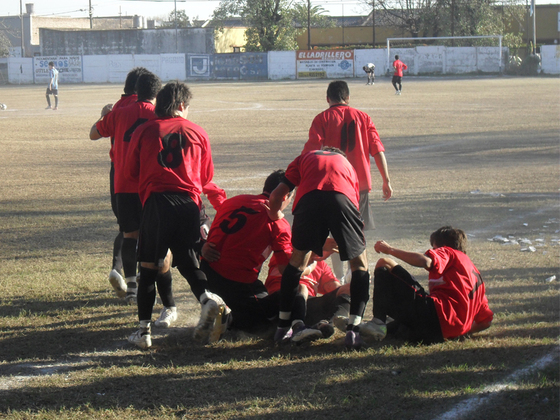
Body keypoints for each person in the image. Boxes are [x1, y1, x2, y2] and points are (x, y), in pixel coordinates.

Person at [124, 81, 217, 349]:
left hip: (157, 204)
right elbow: (207, 176)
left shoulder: (146, 130)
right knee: (189, 263)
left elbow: (130, 171)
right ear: (181, 105)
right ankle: (207, 300)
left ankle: (143, 332)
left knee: (149, 268)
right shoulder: (197, 131)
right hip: (190, 204)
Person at [266, 147, 371, 350]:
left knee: (296, 263)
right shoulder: (346, 164)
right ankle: (353, 332)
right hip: (342, 198)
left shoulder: (304, 157)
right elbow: (353, 207)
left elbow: (277, 194)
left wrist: (273, 215)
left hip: (308, 201)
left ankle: (283, 328)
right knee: (360, 265)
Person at [197, 170, 308, 344]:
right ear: (284, 196)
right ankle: (229, 317)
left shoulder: (234, 201)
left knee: (260, 296)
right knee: (271, 321)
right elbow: (287, 271)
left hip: (206, 274)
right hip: (236, 282)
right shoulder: (277, 222)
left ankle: (220, 307)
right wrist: (309, 262)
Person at [302, 80, 392, 280]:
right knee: (356, 232)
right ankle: (356, 275)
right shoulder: (363, 117)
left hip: (331, 185)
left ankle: (338, 277)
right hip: (358, 185)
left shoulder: (321, 119)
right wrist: (386, 180)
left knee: (334, 233)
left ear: (328, 99)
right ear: (348, 97)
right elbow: (377, 151)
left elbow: (310, 152)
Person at [89, 71, 161, 306]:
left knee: (128, 233)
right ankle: (153, 284)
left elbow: (93, 134)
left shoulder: (118, 110)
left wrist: (104, 115)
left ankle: (131, 286)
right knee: (154, 234)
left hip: (122, 179)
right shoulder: (159, 113)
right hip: (149, 183)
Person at [360, 226, 493, 344]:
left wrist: (390, 249)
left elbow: (424, 261)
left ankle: (378, 322)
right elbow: (486, 321)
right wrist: (459, 331)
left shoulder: (449, 252)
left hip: (436, 316)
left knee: (385, 262)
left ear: (442, 246)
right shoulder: (475, 274)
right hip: (441, 333)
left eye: (434, 248)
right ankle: (371, 328)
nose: (433, 250)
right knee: (397, 328)